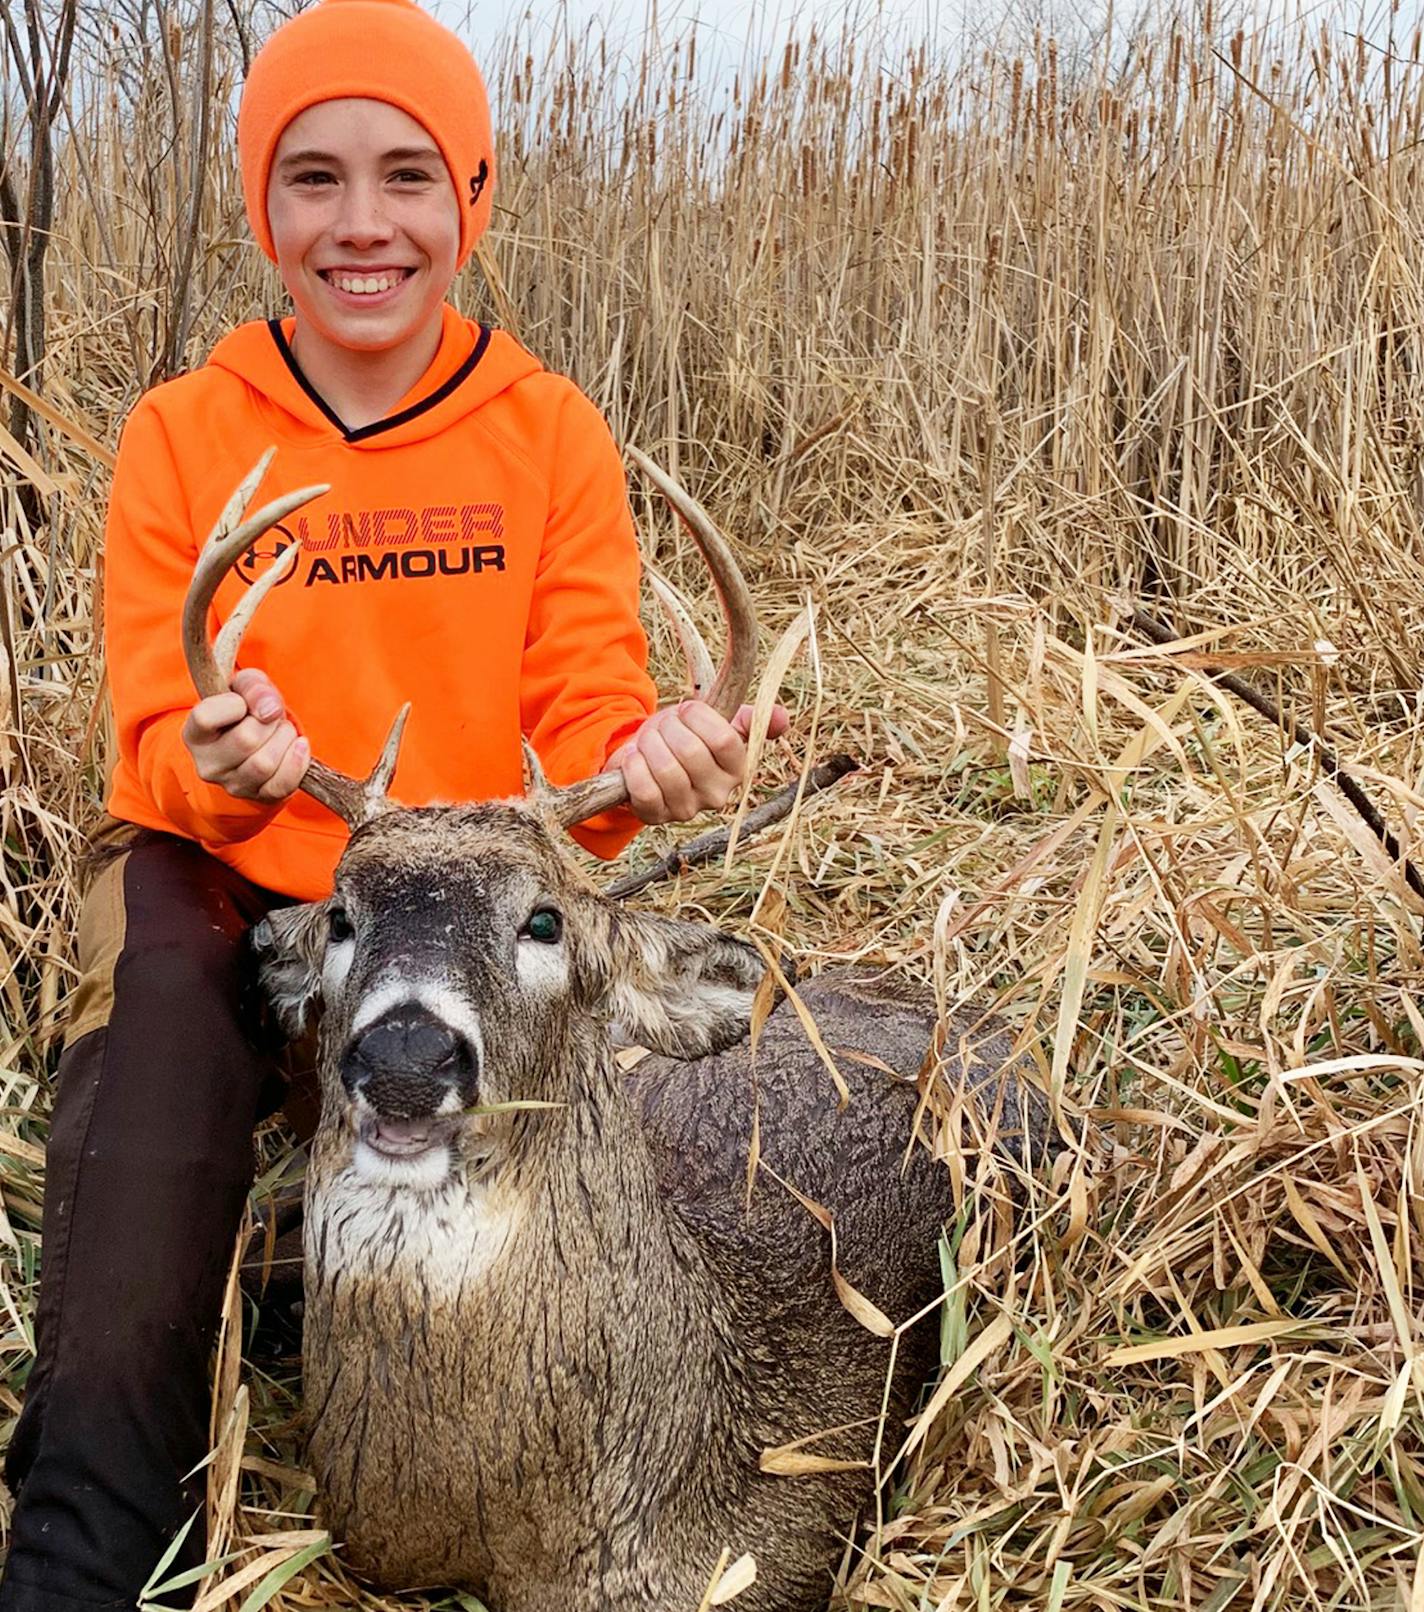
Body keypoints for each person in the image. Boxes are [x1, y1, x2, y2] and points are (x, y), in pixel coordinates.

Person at [0, 2, 787, 1605]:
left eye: (410, 177)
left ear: (472, 199)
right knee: (157, 1048)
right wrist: (217, 763)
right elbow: (154, 723)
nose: (363, 226)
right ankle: (85, 1541)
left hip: (476, 881)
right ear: (259, 207)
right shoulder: (184, 435)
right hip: (226, 862)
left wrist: (653, 764)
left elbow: (588, 710)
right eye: (313, 180)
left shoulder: (546, 433)